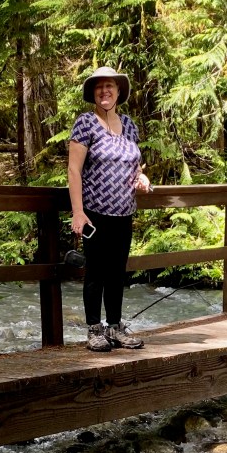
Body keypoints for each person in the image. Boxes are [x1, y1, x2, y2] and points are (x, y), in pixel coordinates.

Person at [68, 66, 152, 352]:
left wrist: (141, 177)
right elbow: (74, 170)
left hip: (124, 211)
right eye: (99, 87)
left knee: (117, 273)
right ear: (93, 93)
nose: (105, 91)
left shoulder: (129, 125)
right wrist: (78, 211)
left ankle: (115, 327)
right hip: (94, 212)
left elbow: (134, 164)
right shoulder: (85, 123)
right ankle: (94, 330)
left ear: (118, 92)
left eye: (110, 86)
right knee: (96, 273)